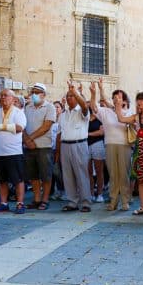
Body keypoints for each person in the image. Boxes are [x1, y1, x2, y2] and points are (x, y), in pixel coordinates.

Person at [90, 79, 134, 211]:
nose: (116, 99)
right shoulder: (106, 111)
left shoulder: (129, 112)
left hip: (124, 145)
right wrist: (94, 93)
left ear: (124, 100)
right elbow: (94, 107)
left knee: (124, 174)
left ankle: (125, 201)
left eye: (119, 97)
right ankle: (113, 200)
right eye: (114, 97)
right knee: (113, 174)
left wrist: (117, 108)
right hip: (109, 144)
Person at [0, 89, 27, 214]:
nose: (2, 97)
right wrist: (1, 128)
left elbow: (20, 128)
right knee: (1, 180)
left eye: (5, 95)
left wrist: (3, 127)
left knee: (18, 179)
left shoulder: (18, 112)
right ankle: (3, 203)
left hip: (13, 152)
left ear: (13, 99)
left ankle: (20, 203)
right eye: (1, 95)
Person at [57, 81, 92, 212]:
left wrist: (75, 91)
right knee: (68, 175)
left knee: (82, 174)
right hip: (65, 146)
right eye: (68, 96)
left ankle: (86, 202)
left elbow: (84, 105)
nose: (69, 98)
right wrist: (58, 151)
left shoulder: (82, 111)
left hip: (79, 145)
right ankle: (72, 202)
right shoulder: (63, 114)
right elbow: (59, 133)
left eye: (72, 96)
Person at [23, 83, 56, 210]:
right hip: (29, 147)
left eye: (37, 92)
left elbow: (46, 127)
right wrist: (27, 140)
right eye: (33, 92)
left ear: (44, 94)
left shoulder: (50, 107)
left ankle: (45, 199)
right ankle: (36, 199)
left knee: (46, 175)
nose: (34, 94)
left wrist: (29, 139)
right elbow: (23, 124)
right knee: (33, 175)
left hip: (44, 147)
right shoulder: (27, 107)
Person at [87, 106, 105, 203]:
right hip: (85, 145)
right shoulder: (85, 119)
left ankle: (100, 194)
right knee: (88, 171)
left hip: (97, 144)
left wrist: (88, 134)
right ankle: (91, 193)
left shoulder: (100, 119)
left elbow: (101, 132)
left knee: (99, 171)